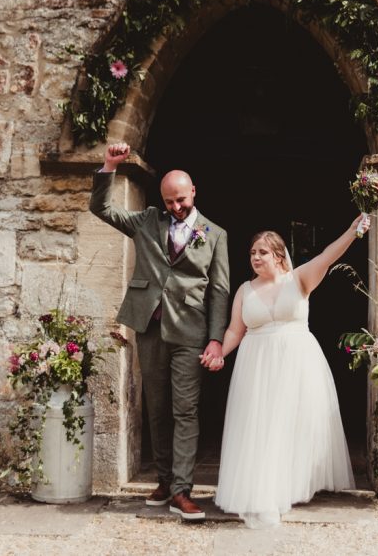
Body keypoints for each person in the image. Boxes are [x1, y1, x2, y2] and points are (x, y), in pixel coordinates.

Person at [90, 142, 229, 521]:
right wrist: (109, 167)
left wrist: (216, 338)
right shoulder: (147, 220)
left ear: (194, 191)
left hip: (191, 332)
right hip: (149, 327)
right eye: (169, 201)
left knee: (186, 410)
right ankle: (165, 481)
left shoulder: (215, 235)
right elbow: (101, 209)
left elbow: (219, 291)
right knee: (157, 409)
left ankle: (183, 490)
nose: (176, 207)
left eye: (181, 200)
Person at [205, 214, 370, 528]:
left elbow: (328, 256)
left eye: (262, 252)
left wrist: (351, 232)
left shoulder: (299, 279)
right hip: (256, 366)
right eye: (252, 253)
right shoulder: (244, 290)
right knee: (261, 427)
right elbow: (234, 331)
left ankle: (284, 487)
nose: (255, 257)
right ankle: (264, 491)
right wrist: (219, 353)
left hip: (296, 363)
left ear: (279, 256)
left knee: (287, 426)